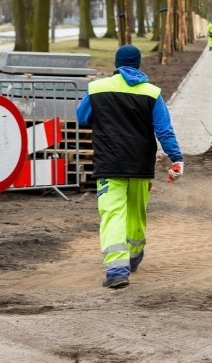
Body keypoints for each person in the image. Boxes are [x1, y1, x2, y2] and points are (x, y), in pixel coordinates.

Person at [76, 45, 184, 289]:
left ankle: (116, 269)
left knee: (113, 213)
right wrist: (176, 158)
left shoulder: (96, 88)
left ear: (116, 63)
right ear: (138, 64)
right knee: (136, 213)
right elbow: (164, 130)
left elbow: (83, 118)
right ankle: (134, 256)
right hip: (140, 165)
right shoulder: (152, 93)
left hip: (109, 163)